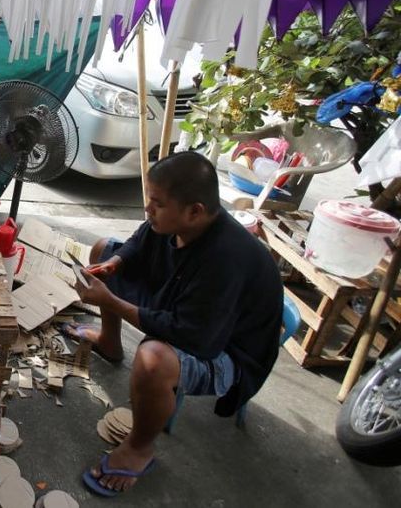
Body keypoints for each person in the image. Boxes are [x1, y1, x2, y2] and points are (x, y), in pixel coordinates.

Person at [70, 152, 282, 498]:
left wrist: (110, 301)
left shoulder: (226, 260)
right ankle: (110, 342)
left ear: (194, 211)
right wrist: (114, 263)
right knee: (103, 249)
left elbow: (190, 336)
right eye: (148, 200)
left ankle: (139, 448)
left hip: (228, 349)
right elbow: (140, 239)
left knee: (153, 360)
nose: (148, 210)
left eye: (157, 204)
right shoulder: (173, 222)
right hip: (185, 299)